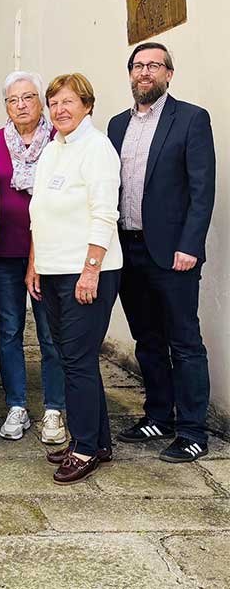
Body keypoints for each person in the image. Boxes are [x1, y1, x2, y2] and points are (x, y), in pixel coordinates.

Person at [108, 43, 216, 463]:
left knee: (184, 342)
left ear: (169, 74)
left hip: (173, 254)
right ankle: (158, 415)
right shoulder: (117, 125)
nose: (145, 72)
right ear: (131, 74)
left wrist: (190, 245)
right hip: (128, 248)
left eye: (154, 65)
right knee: (147, 338)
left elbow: (202, 190)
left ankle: (192, 431)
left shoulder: (190, 119)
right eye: (138, 65)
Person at [27, 73, 122, 485]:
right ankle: (97, 440)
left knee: (78, 360)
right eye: (54, 103)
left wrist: (90, 269)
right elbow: (39, 213)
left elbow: (105, 213)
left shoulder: (97, 149)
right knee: (72, 358)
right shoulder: (52, 150)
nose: (60, 110)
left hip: (87, 270)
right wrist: (34, 264)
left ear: (87, 105)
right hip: (52, 269)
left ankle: (83, 449)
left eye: (68, 102)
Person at [0, 71, 66, 444]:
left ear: (40, 101)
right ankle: (16, 404)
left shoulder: (58, 139)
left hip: (49, 251)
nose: (21, 105)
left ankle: (54, 409)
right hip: (5, 250)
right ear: (6, 106)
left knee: (50, 334)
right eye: (13, 100)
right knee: (10, 330)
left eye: (28, 97)